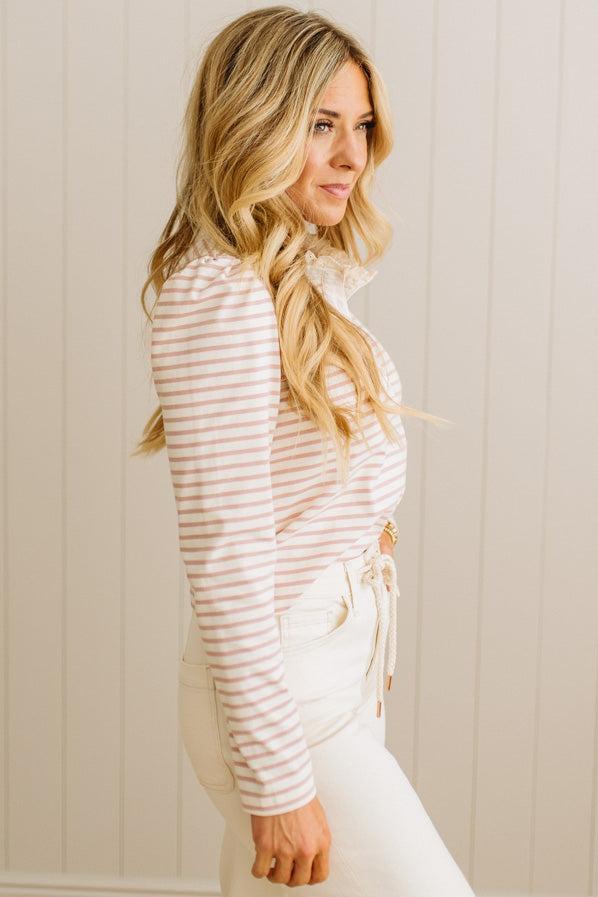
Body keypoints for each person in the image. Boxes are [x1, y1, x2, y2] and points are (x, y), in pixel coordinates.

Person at [133, 5, 473, 894]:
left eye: (360, 127)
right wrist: (278, 780)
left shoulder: (295, 279)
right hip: (288, 694)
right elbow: (226, 552)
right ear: (253, 119)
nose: (353, 156)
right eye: (321, 124)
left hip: (329, 681)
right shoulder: (224, 294)